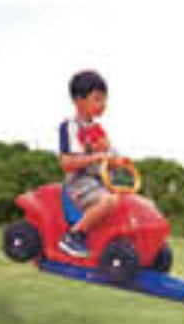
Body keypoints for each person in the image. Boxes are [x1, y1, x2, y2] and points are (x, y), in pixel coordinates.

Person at [58, 70, 128, 258]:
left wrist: (117, 161)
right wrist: (97, 157)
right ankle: (74, 236)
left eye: (104, 100)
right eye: (97, 99)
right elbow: (66, 163)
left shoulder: (98, 130)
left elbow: (108, 155)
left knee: (126, 199)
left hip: (100, 180)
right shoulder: (71, 127)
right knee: (108, 201)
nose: (102, 104)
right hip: (80, 183)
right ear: (78, 100)